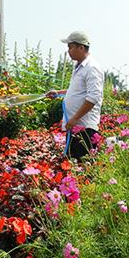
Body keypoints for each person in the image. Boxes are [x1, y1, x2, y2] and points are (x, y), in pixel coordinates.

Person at [46, 31, 104, 161]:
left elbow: (93, 97)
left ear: (81, 47)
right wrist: (59, 93)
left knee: (82, 167)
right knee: (73, 165)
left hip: (85, 129)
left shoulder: (92, 68)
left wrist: (75, 118)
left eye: (70, 47)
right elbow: (77, 91)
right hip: (75, 127)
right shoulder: (79, 67)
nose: (68, 51)